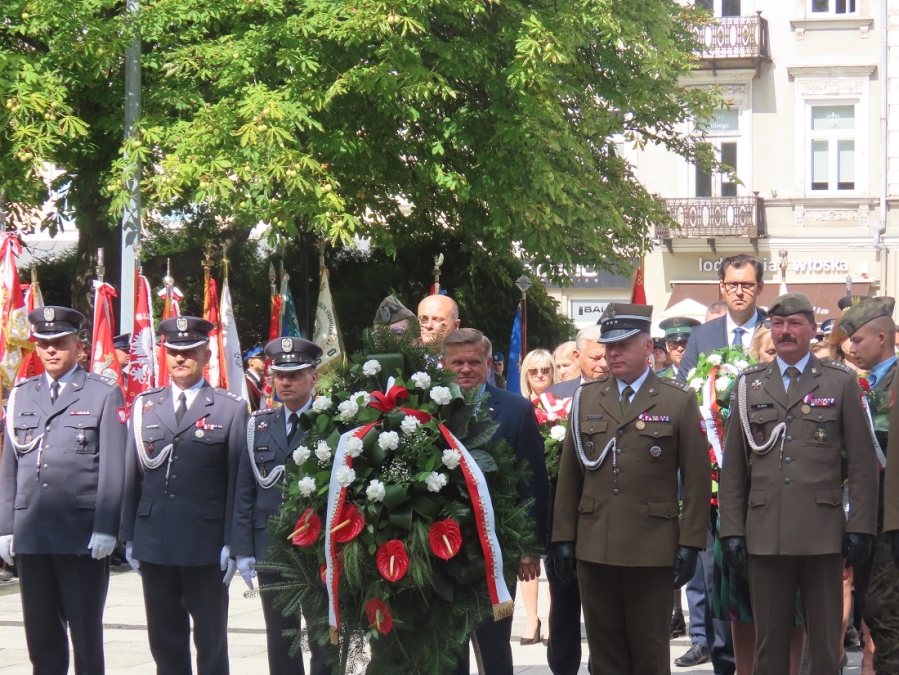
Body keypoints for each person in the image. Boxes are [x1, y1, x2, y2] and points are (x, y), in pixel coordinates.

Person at [719, 292, 878, 675]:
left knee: (825, 644)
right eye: (778, 324)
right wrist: (732, 530)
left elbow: (861, 462)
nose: (785, 331)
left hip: (821, 532)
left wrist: (860, 526)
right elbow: (734, 467)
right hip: (766, 532)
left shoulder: (839, 382)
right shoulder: (749, 384)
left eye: (794, 324)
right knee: (769, 644)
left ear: (811, 328)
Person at [550, 302, 710, 675]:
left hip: (651, 547)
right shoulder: (587, 397)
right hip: (596, 543)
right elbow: (570, 474)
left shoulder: (676, 399)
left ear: (647, 346)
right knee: (604, 653)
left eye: (623, 345)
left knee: (650, 651)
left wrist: (690, 543)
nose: (613, 353)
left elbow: (697, 478)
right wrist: (563, 538)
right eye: (609, 346)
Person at [0, 306, 127, 675]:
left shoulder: (102, 393)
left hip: (80, 535)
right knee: (41, 638)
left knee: (85, 635)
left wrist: (107, 527)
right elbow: (10, 466)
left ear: (78, 347)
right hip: (33, 532)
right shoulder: (23, 394)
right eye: (44, 344)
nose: (51, 350)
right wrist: (6, 526)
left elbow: (113, 466)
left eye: (60, 343)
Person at [122, 316, 249, 675]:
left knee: (211, 640)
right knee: (164, 639)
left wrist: (233, 542)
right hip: (155, 541)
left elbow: (237, 481)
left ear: (206, 355)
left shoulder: (229, 408)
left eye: (189, 351)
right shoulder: (145, 406)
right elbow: (132, 476)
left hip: (205, 544)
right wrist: (129, 535)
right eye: (173, 351)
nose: (180, 358)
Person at [443, 328, 549, 675]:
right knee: (448, 648)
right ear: (444, 364)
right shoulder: (427, 408)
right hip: (441, 550)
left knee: (493, 645)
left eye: (474, 362)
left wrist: (530, 547)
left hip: (496, 550)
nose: (465, 369)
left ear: (489, 364)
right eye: (457, 362)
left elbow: (533, 482)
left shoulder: (516, 410)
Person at [232, 337, 329, 675]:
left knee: (324, 634)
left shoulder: (332, 421)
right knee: (280, 636)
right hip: (270, 545)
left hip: (317, 548)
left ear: (314, 376)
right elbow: (245, 491)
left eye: (295, 374)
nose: (286, 382)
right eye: (280, 375)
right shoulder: (258, 425)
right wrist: (242, 549)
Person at [840, 298, 898, 675]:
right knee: (876, 612)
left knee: (888, 615)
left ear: (882, 338)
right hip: (869, 519)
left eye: (858, 339)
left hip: (891, 519)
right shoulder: (862, 386)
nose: (851, 347)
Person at [678, 254, 767, 383]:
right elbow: (682, 385)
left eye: (747, 285)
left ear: (760, 287)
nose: (739, 292)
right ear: (722, 287)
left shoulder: (773, 331)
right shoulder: (701, 335)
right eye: (732, 284)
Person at [547, 325, 607, 398]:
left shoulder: (620, 392)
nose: (604, 364)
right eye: (595, 358)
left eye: (607, 357)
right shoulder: (553, 395)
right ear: (577, 357)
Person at [657, 317, 700, 381]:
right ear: (667, 347)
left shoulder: (707, 375)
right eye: (674, 343)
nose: (680, 349)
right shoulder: (658, 379)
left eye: (685, 343)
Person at [244, 345, 266, 411]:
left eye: (265, 358)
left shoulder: (266, 379)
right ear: (250, 361)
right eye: (261, 358)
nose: (265, 361)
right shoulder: (245, 381)